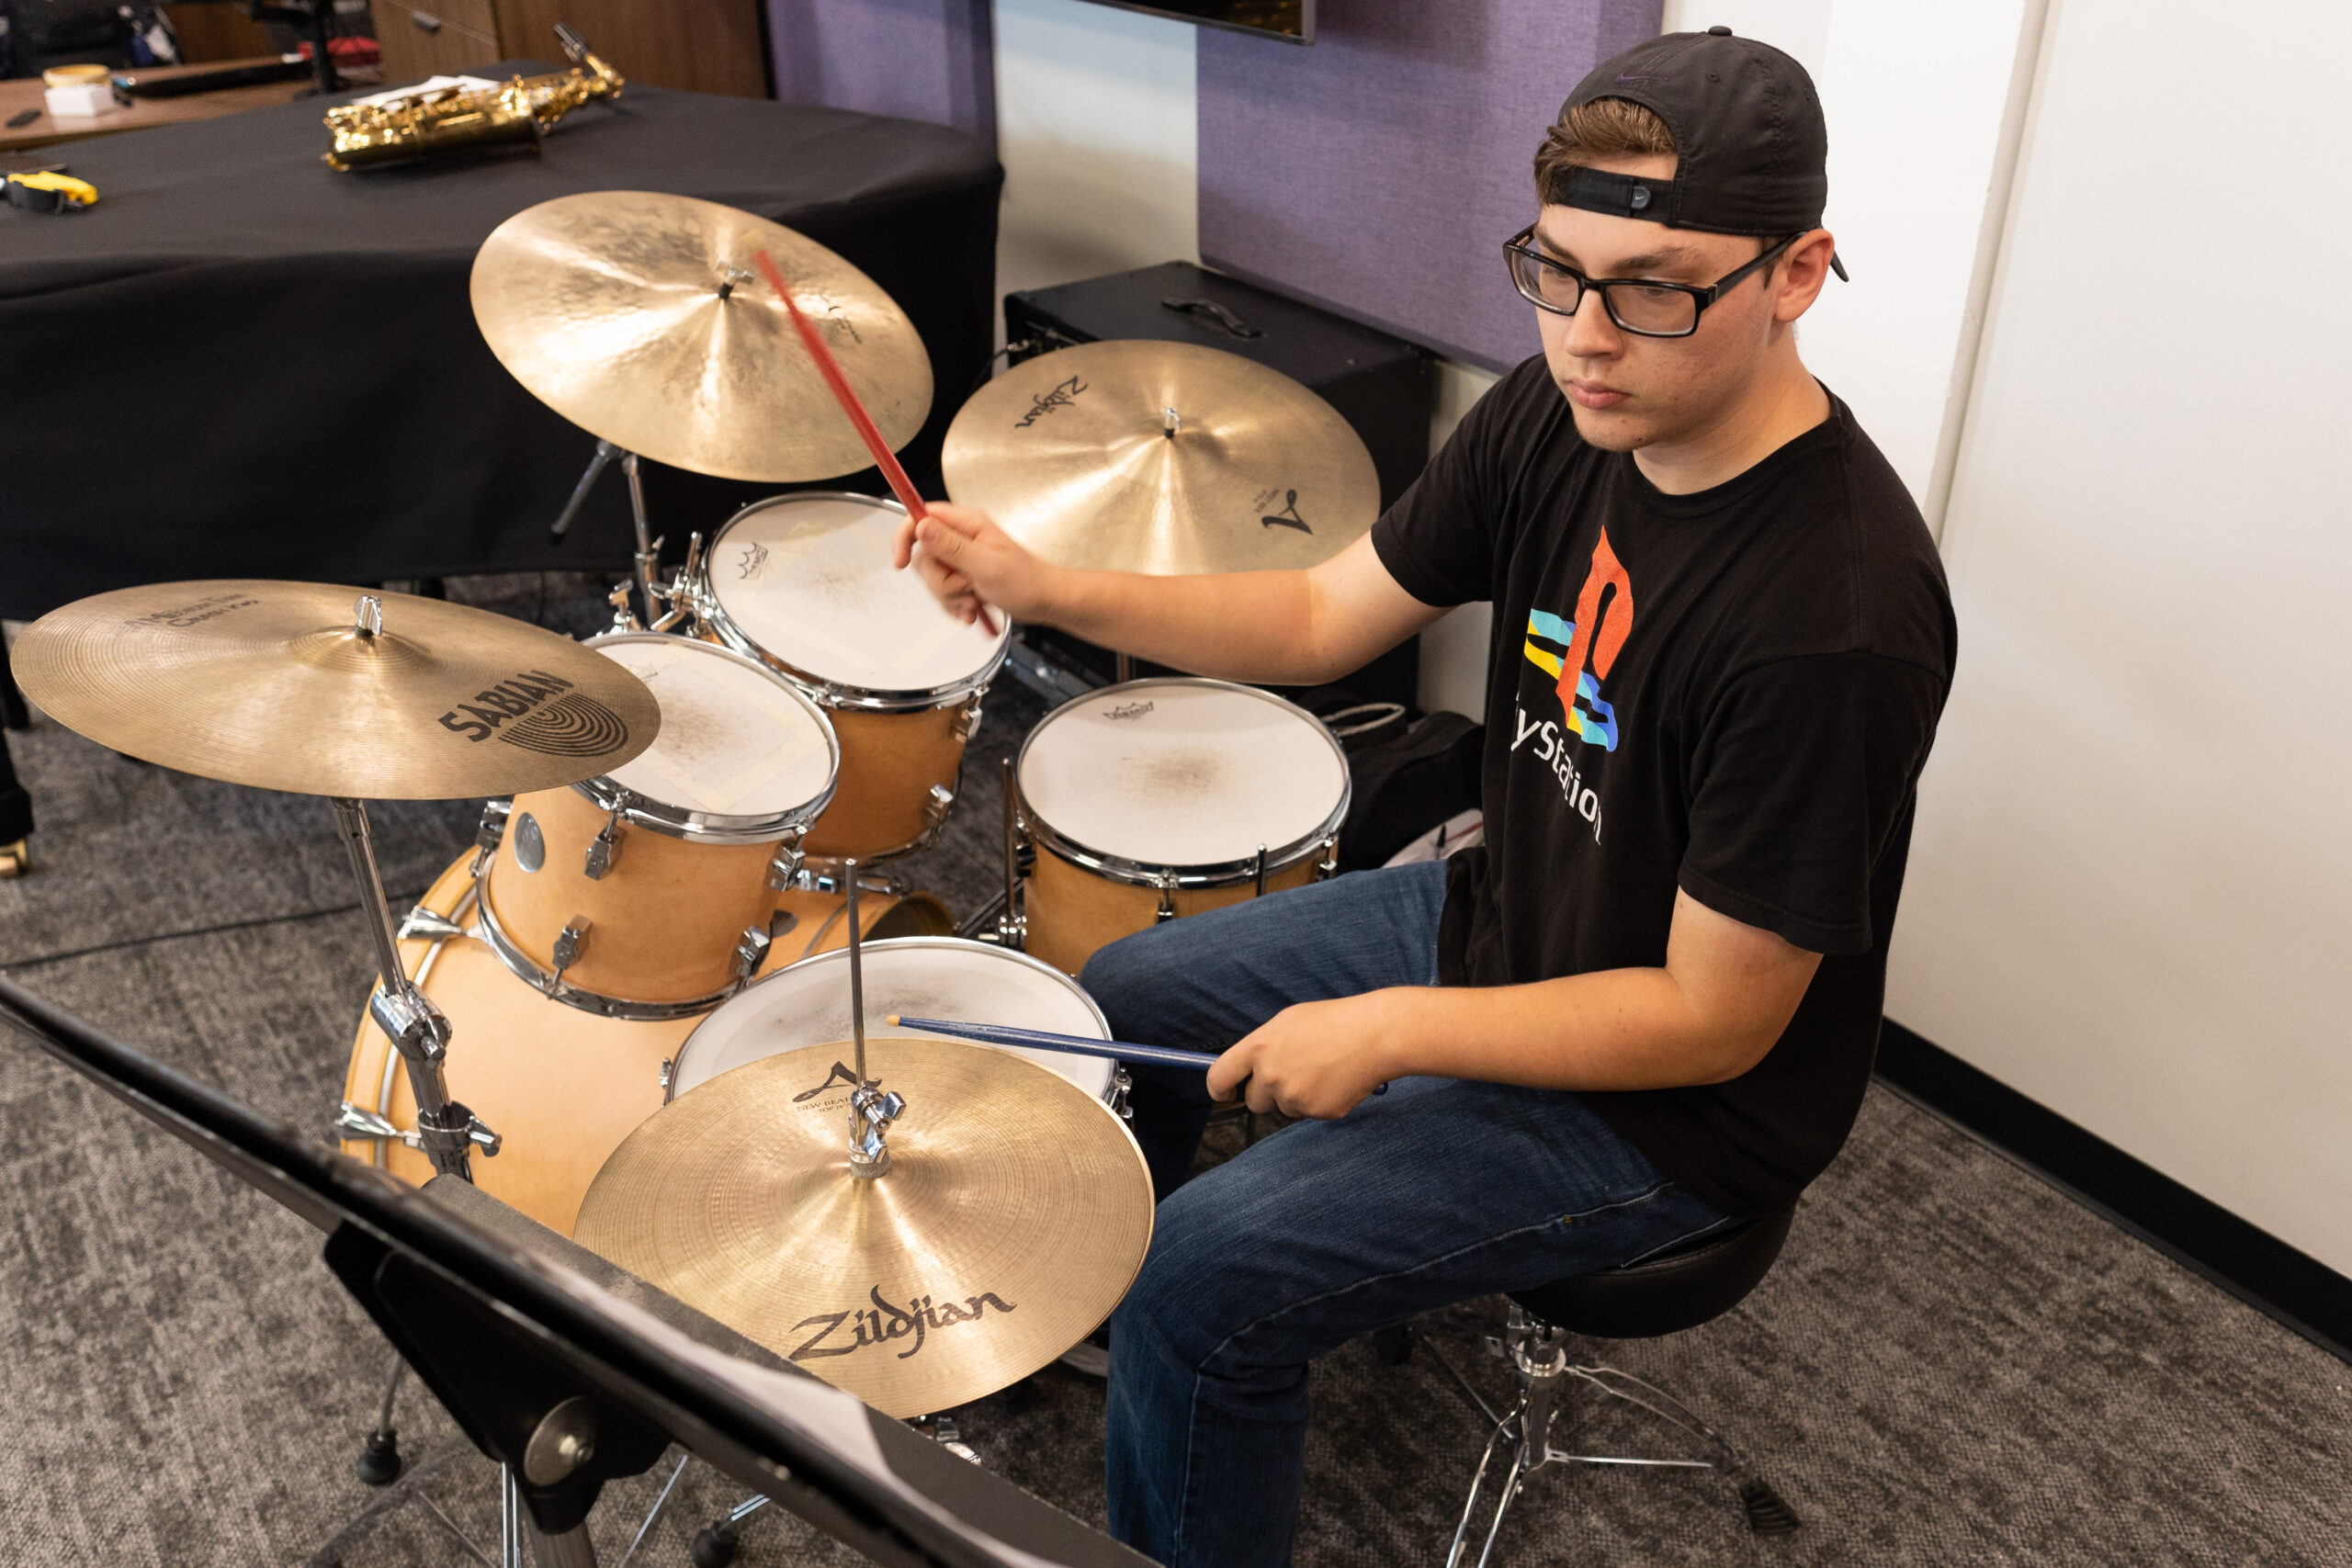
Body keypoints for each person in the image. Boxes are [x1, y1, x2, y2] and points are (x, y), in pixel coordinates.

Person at [894, 28, 1955, 1567]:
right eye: (1558, 270)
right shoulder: (1562, 408)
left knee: (1201, 1269)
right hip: (1502, 914)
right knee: (1123, 993)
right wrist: (1039, 580)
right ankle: (1165, 1368)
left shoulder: (1831, 618)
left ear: (1798, 275)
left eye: (1656, 287)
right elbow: (1326, 618)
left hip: (1667, 1112)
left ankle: (1185, 1340)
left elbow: (1715, 1019)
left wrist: (1393, 1030)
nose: (1590, 334)